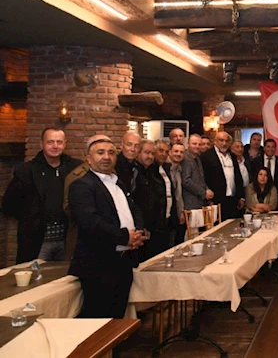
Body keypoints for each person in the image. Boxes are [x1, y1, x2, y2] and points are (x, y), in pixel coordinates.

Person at [68, 137, 145, 319]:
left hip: (123, 261)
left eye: (111, 153)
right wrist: (125, 237)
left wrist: (139, 232)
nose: (106, 157)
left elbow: (133, 209)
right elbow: (90, 222)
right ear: (88, 158)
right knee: (99, 319)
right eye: (100, 153)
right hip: (98, 265)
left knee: (117, 318)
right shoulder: (81, 185)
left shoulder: (117, 183)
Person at [3, 128, 81, 263]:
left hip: (67, 241)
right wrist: (30, 217)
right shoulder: (26, 170)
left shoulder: (75, 169)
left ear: (65, 144)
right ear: (41, 144)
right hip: (37, 241)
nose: (55, 146)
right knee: (34, 275)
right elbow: (9, 203)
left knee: (65, 275)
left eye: (59, 142)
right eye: (50, 142)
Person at [133, 140, 176, 259]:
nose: (163, 154)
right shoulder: (147, 171)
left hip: (164, 219)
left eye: (166, 151)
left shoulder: (164, 168)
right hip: (149, 223)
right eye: (160, 151)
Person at [200, 131, 245, 220]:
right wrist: (208, 200)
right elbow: (203, 178)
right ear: (215, 141)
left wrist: (241, 197)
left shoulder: (232, 156)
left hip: (233, 199)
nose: (224, 143)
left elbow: (238, 177)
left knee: (232, 224)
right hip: (216, 200)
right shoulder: (206, 156)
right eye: (221, 140)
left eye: (226, 141)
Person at [182, 134, 213, 212]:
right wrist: (203, 193)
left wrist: (207, 190)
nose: (197, 146)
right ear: (188, 144)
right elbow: (186, 181)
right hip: (190, 202)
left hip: (199, 202)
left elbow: (201, 178)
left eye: (199, 144)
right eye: (194, 144)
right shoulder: (185, 158)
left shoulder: (198, 158)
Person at [163, 143, 186, 246]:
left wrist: (181, 211)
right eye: (176, 151)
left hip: (176, 212)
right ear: (170, 152)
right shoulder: (164, 168)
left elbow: (178, 193)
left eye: (181, 152)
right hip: (166, 213)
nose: (178, 154)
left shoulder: (179, 169)